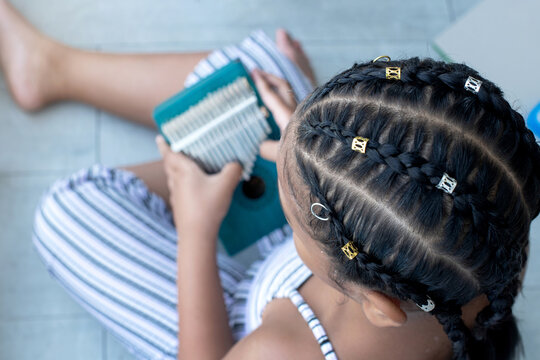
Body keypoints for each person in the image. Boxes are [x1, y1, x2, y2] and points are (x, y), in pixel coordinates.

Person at [2, 0, 538, 359]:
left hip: (233, 326)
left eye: (294, 203)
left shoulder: (276, 353)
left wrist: (196, 228)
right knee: (264, 71)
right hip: (357, 249)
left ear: (379, 306)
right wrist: (309, 143)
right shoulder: (483, 235)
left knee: (65, 215)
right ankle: (52, 70)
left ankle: (187, 170)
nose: (281, 164)